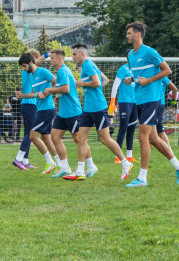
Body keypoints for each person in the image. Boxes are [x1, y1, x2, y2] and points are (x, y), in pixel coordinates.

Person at [123, 22, 179, 187]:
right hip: (139, 100)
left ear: (138, 34)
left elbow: (167, 71)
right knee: (153, 138)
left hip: (152, 100)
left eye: (129, 33)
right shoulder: (130, 55)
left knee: (142, 136)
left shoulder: (150, 52)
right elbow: (139, 76)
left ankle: (142, 178)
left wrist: (149, 80)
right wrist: (132, 79)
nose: (127, 36)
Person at [68, 44, 132, 181]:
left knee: (105, 139)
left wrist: (81, 83)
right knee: (80, 138)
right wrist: (91, 88)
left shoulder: (88, 65)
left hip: (98, 108)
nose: (73, 57)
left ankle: (125, 163)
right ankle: (80, 170)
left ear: (82, 54)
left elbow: (97, 83)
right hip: (88, 108)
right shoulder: (90, 65)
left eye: (74, 54)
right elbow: (105, 80)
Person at [44, 49, 88, 179]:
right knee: (55, 137)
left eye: (52, 58)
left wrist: (51, 90)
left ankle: (89, 166)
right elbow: (66, 89)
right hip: (63, 112)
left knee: (79, 139)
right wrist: (58, 95)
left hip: (72, 112)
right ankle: (65, 167)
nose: (50, 60)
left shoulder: (63, 71)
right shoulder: (62, 71)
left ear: (59, 59)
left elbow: (66, 88)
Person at [14, 52, 62, 173]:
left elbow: (56, 83)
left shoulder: (43, 72)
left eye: (24, 66)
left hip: (46, 109)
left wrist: (48, 93)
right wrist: (23, 95)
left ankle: (50, 162)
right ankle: (61, 165)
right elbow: (35, 93)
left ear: (31, 62)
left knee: (32, 136)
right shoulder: (31, 76)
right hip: (41, 109)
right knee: (46, 138)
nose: (23, 69)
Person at [14, 49, 45, 169]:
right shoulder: (26, 70)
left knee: (29, 133)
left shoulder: (32, 73)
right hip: (28, 104)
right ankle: (18, 158)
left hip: (30, 104)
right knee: (32, 133)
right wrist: (47, 54)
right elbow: (37, 61)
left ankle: (25, 160)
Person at [110, 63, 139, 163]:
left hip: (136, 101)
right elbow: (115, 86)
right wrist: (112, 102)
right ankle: (117, 156)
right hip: (124, 101)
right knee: (123, 128)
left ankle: (129, 156)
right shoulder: (123, 69)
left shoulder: (137, 68)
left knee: (132, 128)